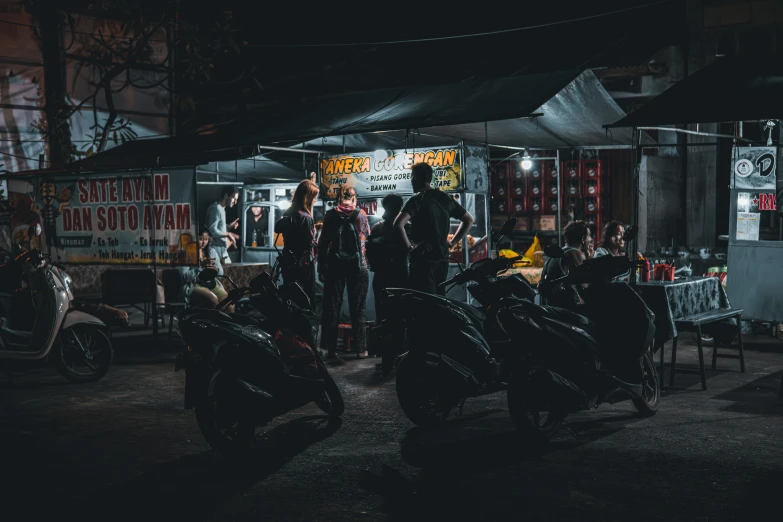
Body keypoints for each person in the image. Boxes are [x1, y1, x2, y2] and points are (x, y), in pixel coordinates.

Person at [394, 163, 474, 295]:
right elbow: (469, 220)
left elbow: (398, 224)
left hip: (422, 259)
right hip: (442, 257)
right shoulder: (445, 198)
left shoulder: (417, 200)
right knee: (439, 297)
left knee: (423, 299)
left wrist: (409, 247)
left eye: (412, 177)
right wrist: (452, 242)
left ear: (415, 177)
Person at [318, 186, 371, 360]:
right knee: (359, 307)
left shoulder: (330, 215)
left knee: (332, 307)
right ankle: (361, 349)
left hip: (335, 264)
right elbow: (367, 237)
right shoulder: (360, 215)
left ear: (339, 198)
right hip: (358, 265)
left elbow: (323, 242)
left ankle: (330, 348)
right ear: (354, 198)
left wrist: (321, 266)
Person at [274, 179, 319, 302]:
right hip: (303, 265)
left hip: (288, 261)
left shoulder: (289, 213)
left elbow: (278, 228)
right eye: (314, 197)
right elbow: (308, 244)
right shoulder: (305, 217)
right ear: (308, 197)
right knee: (305, 299)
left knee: (290, 298)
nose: (315, 200)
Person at [540, 220, 591, 311]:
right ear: (583, 239)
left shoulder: (561, 252)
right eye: (589, 236)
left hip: (550, 307)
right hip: (565, 310)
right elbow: (585, 289)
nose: (590, 240)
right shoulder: (575, 253)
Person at [179, 227, 233, 312]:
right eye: (200, 239)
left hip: (211, 283)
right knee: (212, 300)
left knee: (229, 304)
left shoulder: (211, 251)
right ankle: (210, 324)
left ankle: (223, 324)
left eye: (206, 239)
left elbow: (221, 273)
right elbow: (184, 277)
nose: (204, 242)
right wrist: (201, 266)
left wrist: (216, 269)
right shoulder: (185, 253)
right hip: (194, 285)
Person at [205, 186, 239, 265]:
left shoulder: (221, 209)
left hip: (221, 249)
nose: (235, 202)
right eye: (234, 198)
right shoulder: (215, 208)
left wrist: (228, 226)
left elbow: (218, 229)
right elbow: (212, 230)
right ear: (226, 196)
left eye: (236, 199)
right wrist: (228, 234)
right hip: (215, 248)